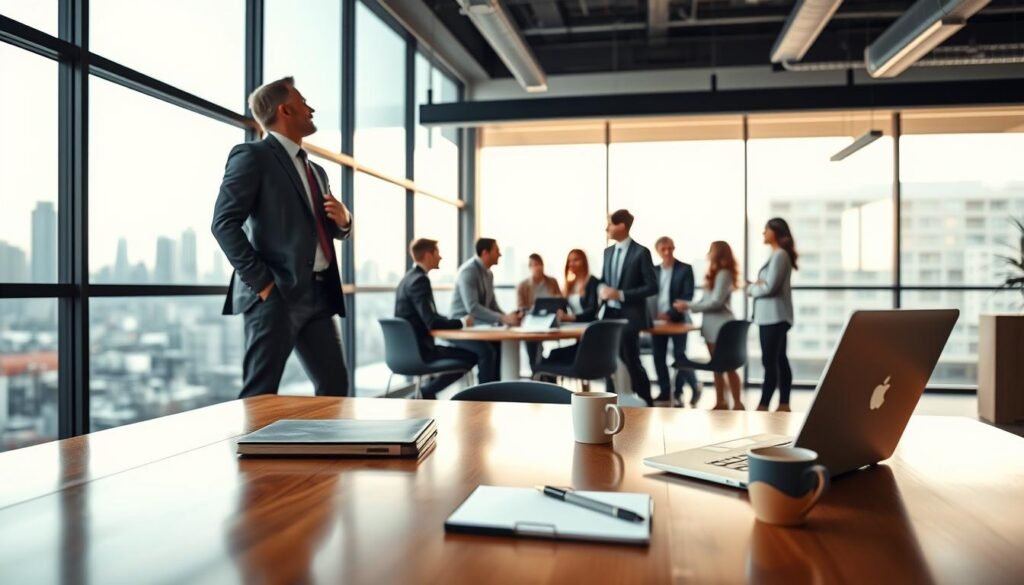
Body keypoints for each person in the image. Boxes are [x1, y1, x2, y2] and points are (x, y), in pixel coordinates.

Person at [212, 76, 352, 398]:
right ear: (284, 110)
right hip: (276, 296)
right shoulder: (252, 156)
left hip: (319, 293)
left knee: (335, 387)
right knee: (259, 395)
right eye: (303, 102)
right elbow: (223, 223)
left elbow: (327, 229)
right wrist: (263, 285)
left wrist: (345, 221)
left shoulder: (317, 172)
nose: (311, 109)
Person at [394, 239, 479, 399]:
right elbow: (431, 322)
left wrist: (452, 320)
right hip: (421, 352)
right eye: (437, 253)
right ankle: (425, 392)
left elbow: (428, 316)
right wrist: (462, 322)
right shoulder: (420, 280)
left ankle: (427, 393)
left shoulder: (407, 279)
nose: (440, 257)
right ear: (428, 255)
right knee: (473, 356)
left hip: (403, 352)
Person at [598, 209, 658, 406]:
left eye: (610, 224)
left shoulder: (641, 252)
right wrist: (602, 289)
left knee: (630, 359)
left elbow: (652, 286)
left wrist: (621, 294)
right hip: (609, 314)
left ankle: (647, 402)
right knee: (607, 360)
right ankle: (609, 402)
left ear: (621, 226)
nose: (607, 228)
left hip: (630, 315)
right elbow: (604, 279)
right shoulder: (607, 252)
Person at [674, 241, 743, 410]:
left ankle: (737, 404)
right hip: (712, 327)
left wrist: (689, 306)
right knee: (717, 366)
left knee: (728, 366)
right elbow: (706, 300)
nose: (709, 253)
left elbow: (716, 302)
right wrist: (688, 305)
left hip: (721, 327)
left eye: (711, 250)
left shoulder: (724, 273)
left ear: (717, 253)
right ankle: (721, 402)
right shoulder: (716, 273)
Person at [450, 238, 522, 382]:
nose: (500, 254)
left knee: (497, 344)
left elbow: (492, 304)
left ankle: (494, 389)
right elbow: (472, 307)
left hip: (479, 326)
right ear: (485, 253)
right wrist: (503, 318)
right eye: (497, 250)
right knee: (487, 351)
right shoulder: (468, 271)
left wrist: (508, 317)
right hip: (461, 328)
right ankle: (484, 392)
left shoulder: (489, 274)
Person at [748, 218, 797, 413]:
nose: (763, 233)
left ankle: (764, 404)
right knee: (779, 360)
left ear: (775, 232)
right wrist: (759, 284)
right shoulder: (777, 255)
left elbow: (769, 288)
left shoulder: (780, 255)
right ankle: (783, 403)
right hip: (772, 317)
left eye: (766, 229)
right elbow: (767, 285)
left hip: (774, 318)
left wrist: (751, 288)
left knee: (770, 361)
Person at [651, 237, 702, 408]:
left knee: (679, 355)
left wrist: (669, 314)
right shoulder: (653, 271)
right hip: (657, 322)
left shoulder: (685, 269)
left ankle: (685, 389)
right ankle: (665, 391)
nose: (667, 252)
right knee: (658, 356)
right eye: (663, 249)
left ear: (674, 248)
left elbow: (687, 296)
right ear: (657, 251)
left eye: (670, 248)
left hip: (679, 320)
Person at [517, 253, 562, 377]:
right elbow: (520, 308)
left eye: (540, 264)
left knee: (552, 352)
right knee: (532, 343)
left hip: (551, 320)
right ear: (530, 267)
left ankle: (545, 372)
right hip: (532, 322)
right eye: (535, 265)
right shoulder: (523, 286)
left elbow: (560, 301)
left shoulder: (552, 282)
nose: (538, 267)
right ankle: (536, 372)